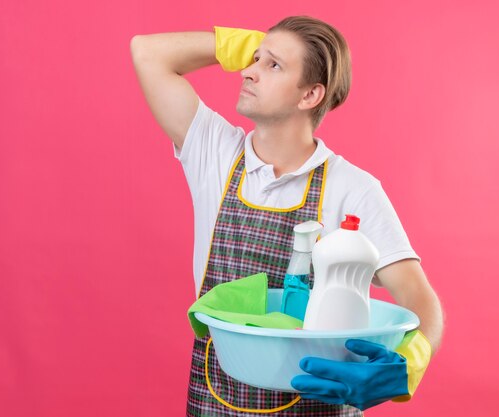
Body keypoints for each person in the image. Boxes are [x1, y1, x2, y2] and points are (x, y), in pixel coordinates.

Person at [130, 15, 444, 416]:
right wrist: (253, 46)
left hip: (319, 403)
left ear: (310, 95)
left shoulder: (353, 189)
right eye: (252, 59)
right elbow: (147, 52)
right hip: (217, 398)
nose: (248, 72)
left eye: (271, 65)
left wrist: (410, 363)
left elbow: (420, 299)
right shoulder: (216, 152)